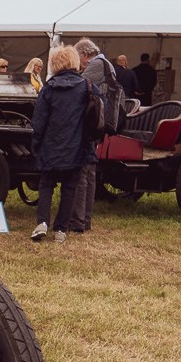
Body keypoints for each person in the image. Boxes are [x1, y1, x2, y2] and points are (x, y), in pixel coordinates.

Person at [30, 45, 92, 243]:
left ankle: (42, 223)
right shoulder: (86, 86)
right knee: (69, 188)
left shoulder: (48, 88)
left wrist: (36, 145)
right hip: (77, 147)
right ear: (74, 61)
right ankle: (61, 230)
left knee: (46, 185)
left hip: (51, 146)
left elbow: (38, 122)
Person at [69, 38, 121, 233]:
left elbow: (79, 85)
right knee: (89, 172)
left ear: (85, 54)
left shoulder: (96, 65)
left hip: (92, 123)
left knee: (83, 172)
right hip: (99, 123)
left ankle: (79, 220)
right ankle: (85, 219)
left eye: (78, 58)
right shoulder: (106, 64)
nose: (79, 63)